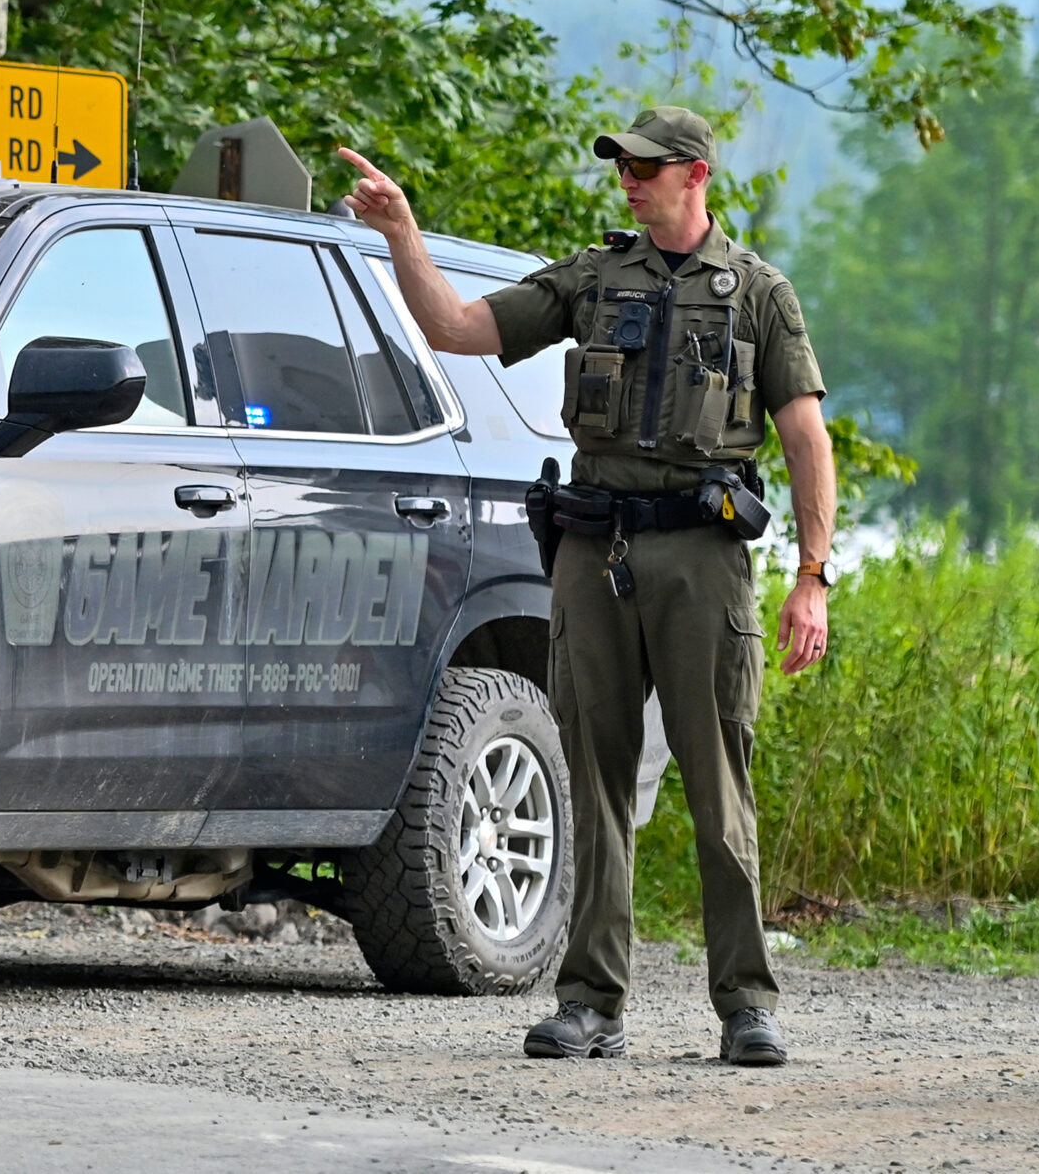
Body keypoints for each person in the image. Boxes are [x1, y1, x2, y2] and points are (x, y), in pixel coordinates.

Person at [339, 107, 838, 1068]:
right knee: (594, 781)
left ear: (696, 174)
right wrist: (401, 231)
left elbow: (805, 437)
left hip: (702, 556)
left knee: (719, 785)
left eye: (646, 166)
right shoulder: (593, 278)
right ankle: (590, 1001)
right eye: (621, 165)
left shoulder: (757, 294)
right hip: (595, 548)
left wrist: (812, 575)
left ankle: (746, 1003)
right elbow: (456, 327)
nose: (629, 179)